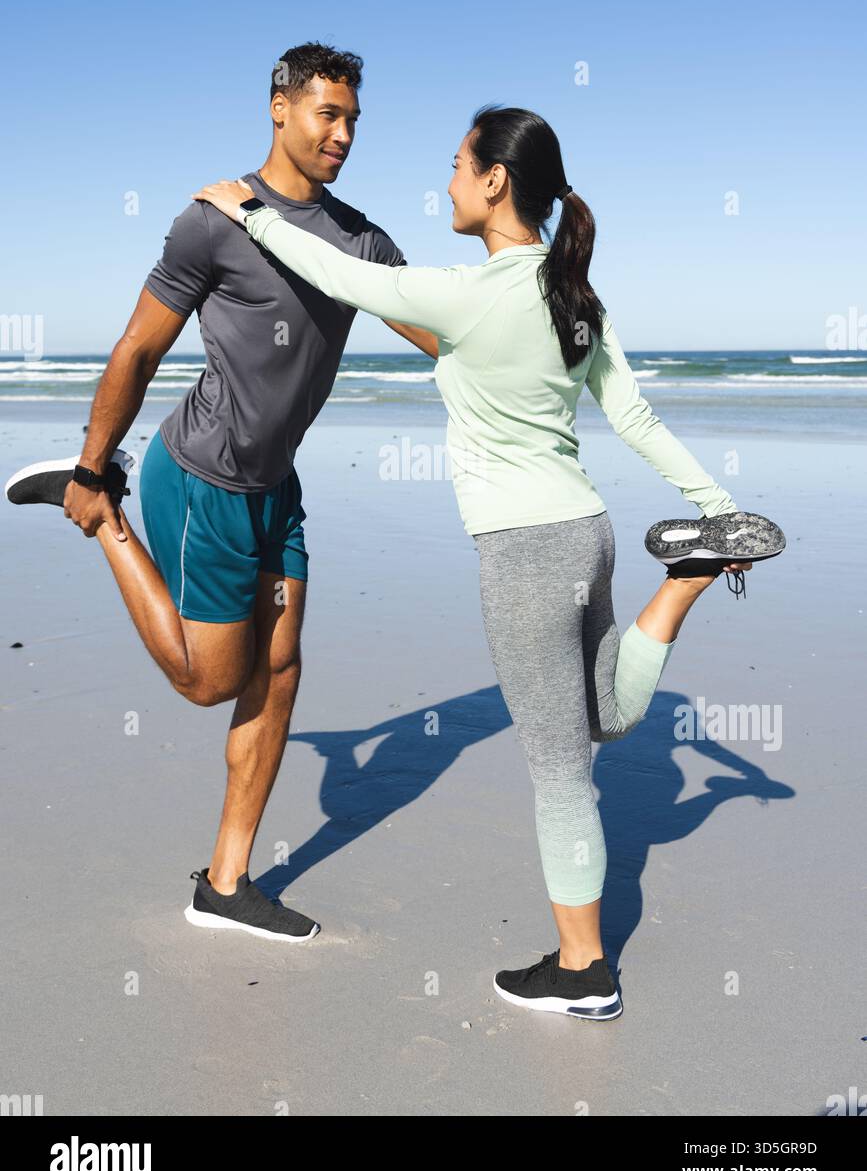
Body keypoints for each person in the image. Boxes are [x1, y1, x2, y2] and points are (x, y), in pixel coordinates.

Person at [193, 105, 783, 1022]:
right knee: (607, 717)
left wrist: (251, 213)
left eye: (459, 167)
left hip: (520, 553)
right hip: (586, 531)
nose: (449, 182)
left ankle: (583, 969)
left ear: (495, 181)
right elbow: (632, 418)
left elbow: (339, 272)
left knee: (560, 768)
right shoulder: (574, 294)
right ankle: (685, 578)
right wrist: (715, 504)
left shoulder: (468, 295)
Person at [5, 42, 439, 943]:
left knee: (278, 673)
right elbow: (137, 349)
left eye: (354, 118)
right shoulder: (213, 222)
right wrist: (94, 465)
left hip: (274, 490)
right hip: (202, 479)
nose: (344, 134)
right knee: (212, 684)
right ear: (278, 108)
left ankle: (226, 883)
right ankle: (103, 519)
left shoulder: (362, 239)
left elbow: (438, 333)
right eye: (328, 114)